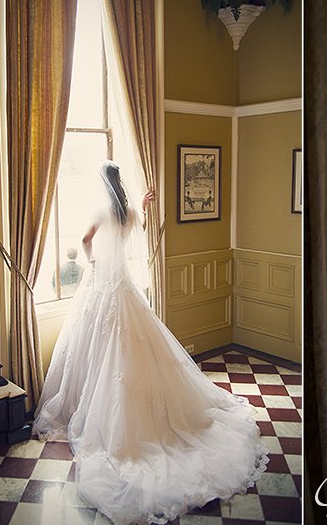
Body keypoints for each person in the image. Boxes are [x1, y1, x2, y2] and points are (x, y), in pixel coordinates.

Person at [33, 161, 268, 524]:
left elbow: (84, 240)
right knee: (131, 348)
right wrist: (142, 207)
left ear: (102, 186)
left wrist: (92, 263)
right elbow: (137, 232)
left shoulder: (100, 210)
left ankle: (99, 414)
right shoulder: (127, 210)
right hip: (124, 286)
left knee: (94, 350)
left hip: (102, 285)